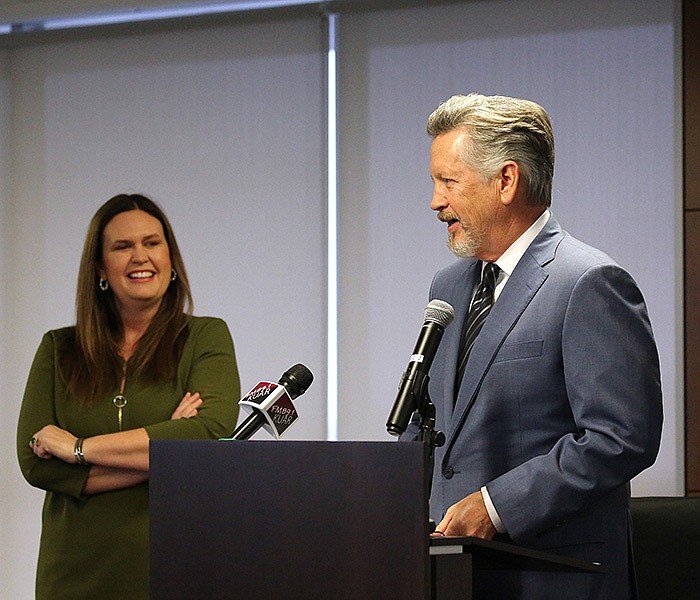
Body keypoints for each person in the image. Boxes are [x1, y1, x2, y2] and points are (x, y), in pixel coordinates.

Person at [413, 94, 663, 599]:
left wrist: (495, 505)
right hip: (451, 577)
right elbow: (430, 421)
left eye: (448, 181)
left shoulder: (589, 282)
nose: (435, 201)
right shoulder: (448, 287)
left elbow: (622, 436)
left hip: (553, 576)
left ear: (506, 181)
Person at [16, 194, 241, 600]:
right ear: (101, 267)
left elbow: (210, 433)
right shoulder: (58, 348)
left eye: (152, 243)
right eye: (123, 246)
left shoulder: (206, 337)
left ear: (171, 259)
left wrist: (78, 449)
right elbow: (36, 464)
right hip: (72, 578)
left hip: (176, 570)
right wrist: (168, 448)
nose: (140, 256)